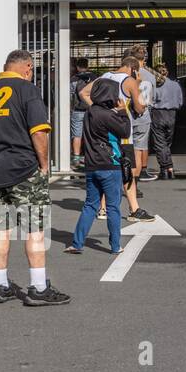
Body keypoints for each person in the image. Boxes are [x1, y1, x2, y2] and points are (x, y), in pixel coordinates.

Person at [0, 49, 70, 306]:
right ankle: (38, 288)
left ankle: (0, 285)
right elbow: (39, 132)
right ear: (27, 68)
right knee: (35, 231)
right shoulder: (27, 90)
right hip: (23, 169)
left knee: (0, 230)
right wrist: (43, 165)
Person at [78, 51, 154, 223]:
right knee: (127, 172)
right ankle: (134, 209)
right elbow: (140, 108)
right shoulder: (130, 81)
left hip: (102, 133)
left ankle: (102, 209)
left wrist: (97, 109)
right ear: (133, 69)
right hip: (122, 132)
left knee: (106, 168)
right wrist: (138, 86)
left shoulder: (104, 77)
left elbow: (83, 93)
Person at [64, 78, 134, 255]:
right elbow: (125, 132)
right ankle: (115, 245)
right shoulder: (109, 115)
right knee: (113, 207)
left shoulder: (90, 112)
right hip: (110, 164)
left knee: (90, 205)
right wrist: (123, 112)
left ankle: (77, 243)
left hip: (91, 165)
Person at [126, 43, 158, 183]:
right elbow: (153, 97)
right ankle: (136, 182)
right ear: (144, 58)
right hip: (144, 115)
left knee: (126, 149)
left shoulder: (128, 74)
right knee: (139, 150)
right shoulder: (151, 76)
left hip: (128, 114)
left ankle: (126, 179)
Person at [151, 62, 184, 179]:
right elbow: (180, 102)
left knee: (160, 143)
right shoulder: (175, 85)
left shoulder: (155, 85)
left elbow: (151, 100)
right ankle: (168, 168)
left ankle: (166, 168)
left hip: (158, 113)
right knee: (167, 143)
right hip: (172, 114)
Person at [69, 55, 96, 170]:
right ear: (87, 66)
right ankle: (91, 156)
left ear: (77, 67)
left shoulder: (74, 79)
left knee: (77, 134)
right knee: (91, 133)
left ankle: (76, 158)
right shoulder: (94, 78)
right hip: (92, 109)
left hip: (77, 110)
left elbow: (70, 94)